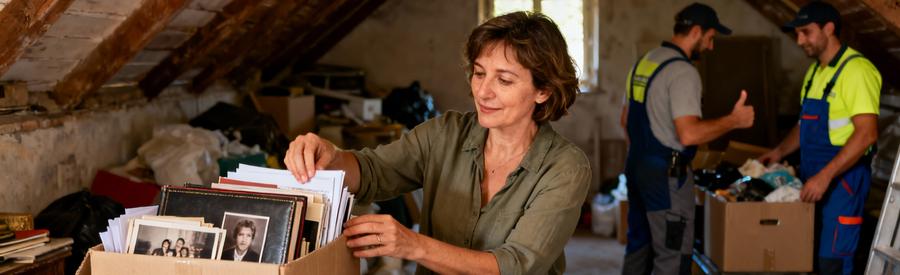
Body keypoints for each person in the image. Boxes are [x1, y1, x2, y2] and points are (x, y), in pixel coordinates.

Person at [284, 11, 590, 274]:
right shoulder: (444, 133)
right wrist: (332, 156)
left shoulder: (565, 167)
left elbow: (515, 265)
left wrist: (412, 244)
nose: (483, 92)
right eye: (479, 73)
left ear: (544, 91)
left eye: (504, 80)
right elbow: (371, 172)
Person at [620, 3, 754, 274]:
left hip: (636, 168)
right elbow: (689, 134)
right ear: (696, 31)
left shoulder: (644, 61)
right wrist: (734, 120)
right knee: (673, 255)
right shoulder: (683, 72)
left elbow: (625, 120)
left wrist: (646, 157)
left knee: (639, 247)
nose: (711, 46)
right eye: (710, 38)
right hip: (666, 178)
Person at [758, 2, 881, 274]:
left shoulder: (857, 71)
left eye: (806, 32)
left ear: (829, 28)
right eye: (797, 33)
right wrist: (779, 152)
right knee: (809, 257)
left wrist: (825, 176)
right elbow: (805, 125)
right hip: (813, 177)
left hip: (842, 181)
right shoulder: (815, 73)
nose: (800, 40)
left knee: (833, 261)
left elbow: (867, 134)